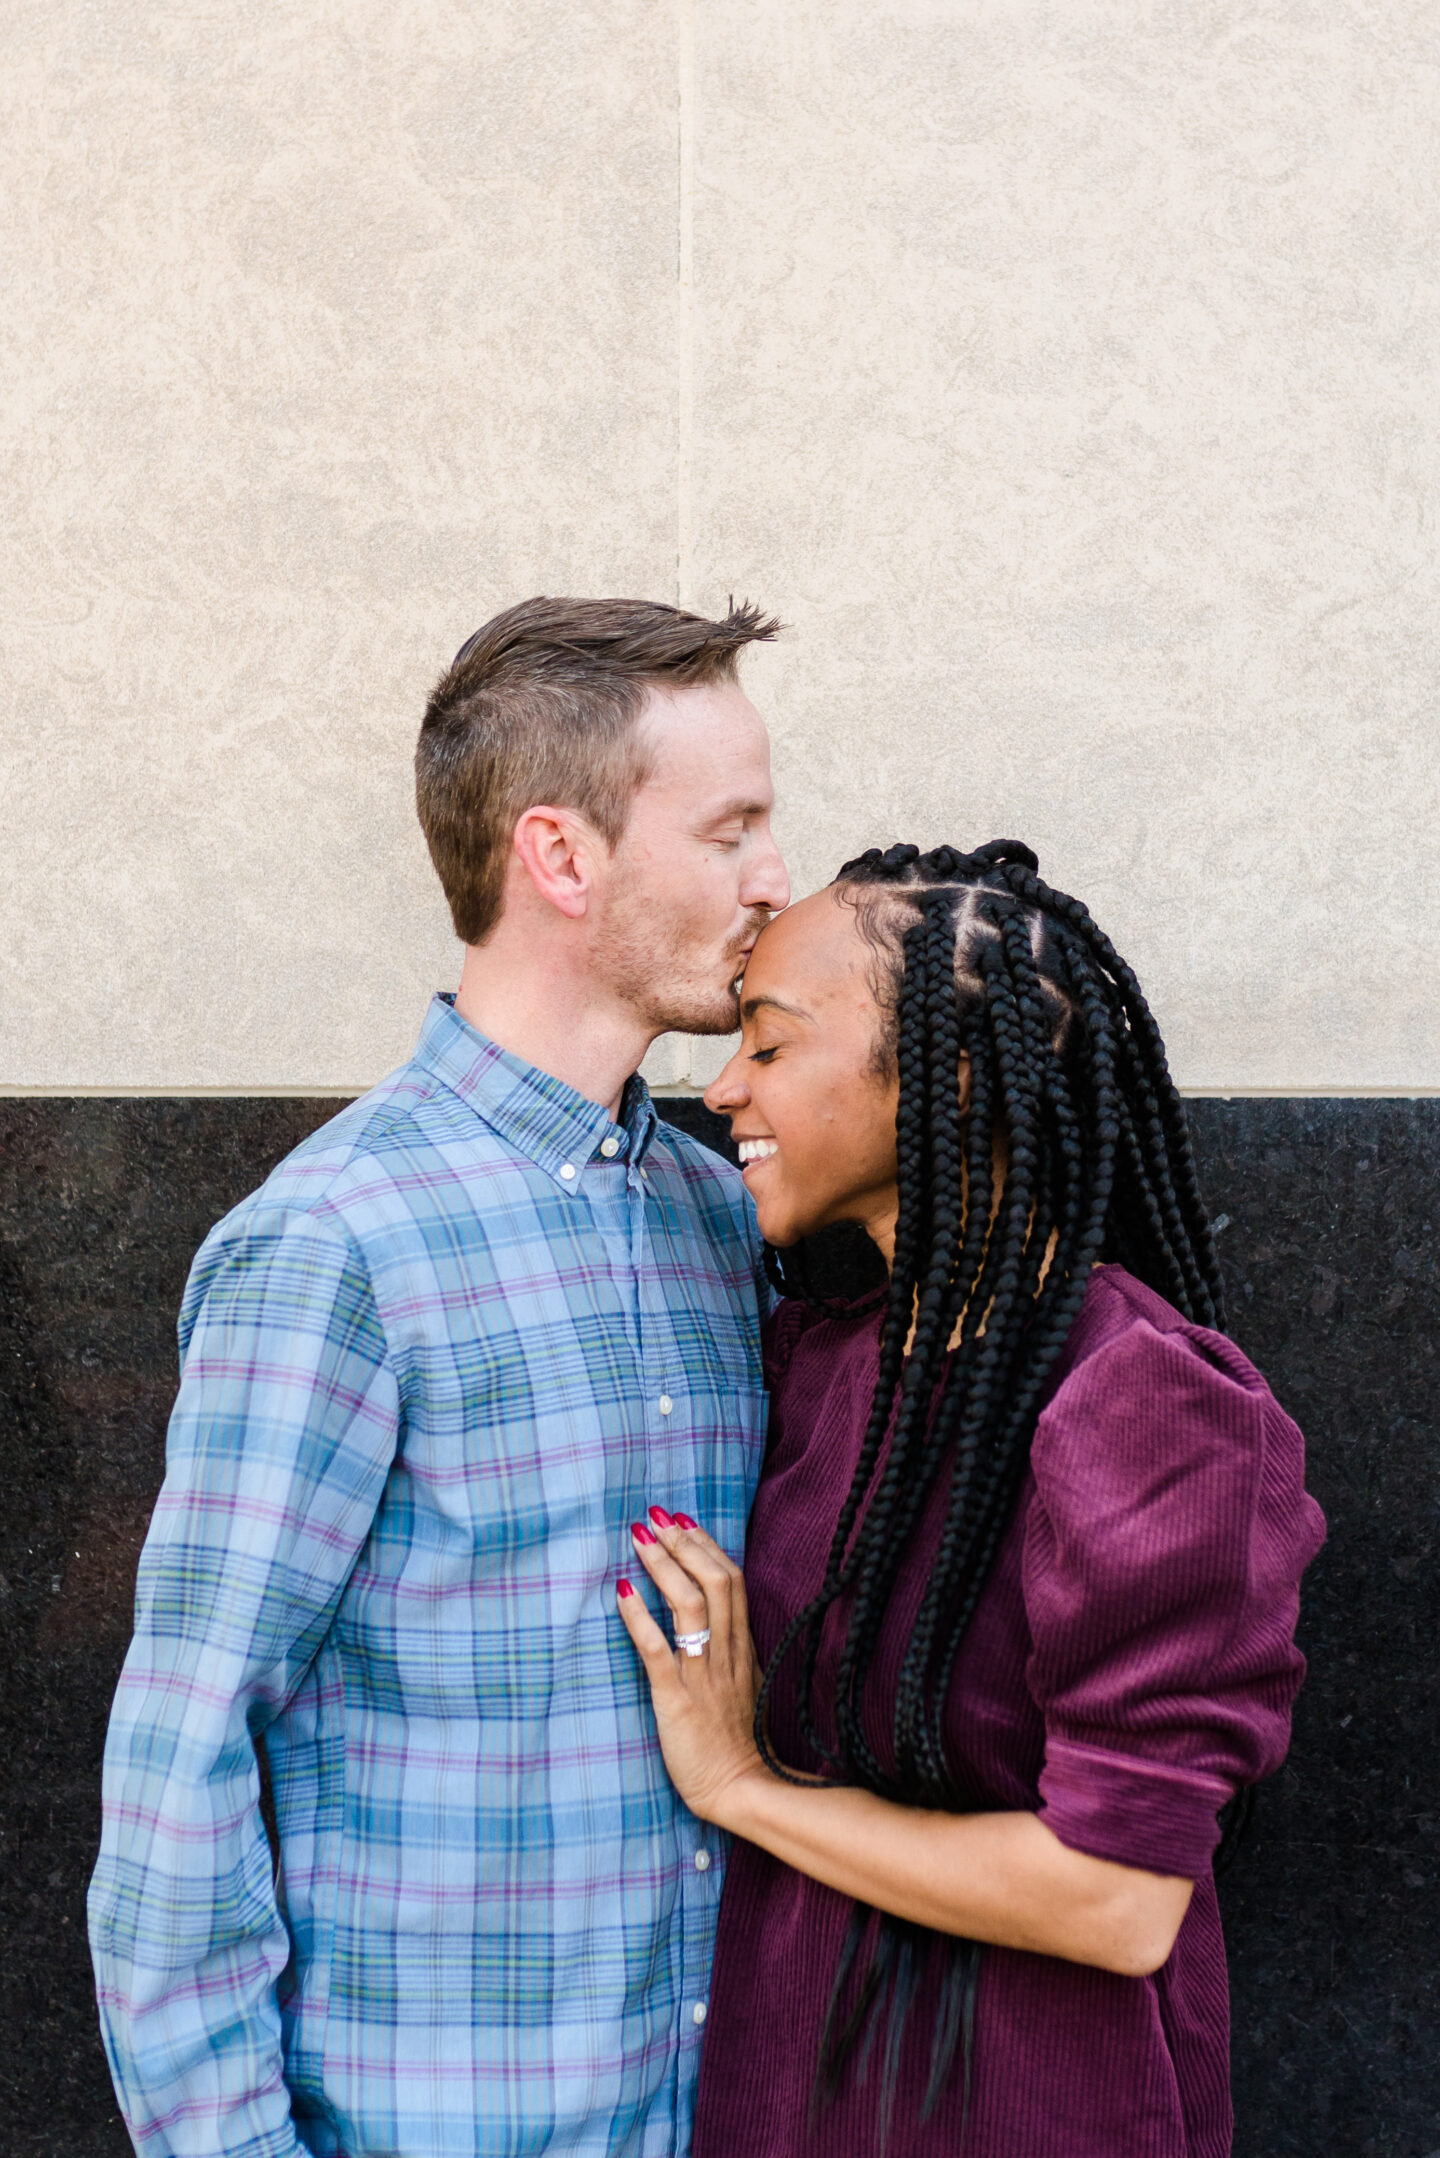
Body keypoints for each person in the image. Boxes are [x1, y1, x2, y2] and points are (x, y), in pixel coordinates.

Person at [88, 597, 791, 2158]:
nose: (774, 879)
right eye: (731, 827)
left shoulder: (716, 1219)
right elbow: (178, 1776)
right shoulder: (335, 1246)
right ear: (562, 856)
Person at [617, 840, 1325, 2158]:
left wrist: (741, 1784)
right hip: (791, 2099)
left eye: (769, 1045)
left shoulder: (1143, 1405)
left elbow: (1116, 1897)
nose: (722, 1088)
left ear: (946, 1073)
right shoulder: (829, 1365)